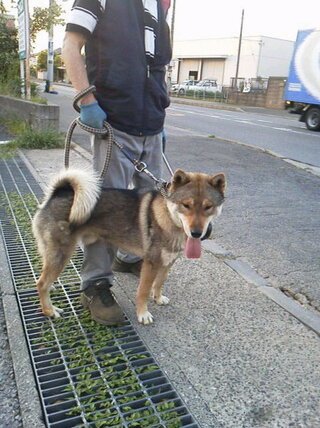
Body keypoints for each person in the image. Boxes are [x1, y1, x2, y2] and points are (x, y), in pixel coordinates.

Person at [62, 0, 172, 325]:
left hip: (151, 123)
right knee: (107, 207)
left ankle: (128, 255)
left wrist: (160, 117)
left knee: (153, 206)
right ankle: (95, 283)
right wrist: (86, 99)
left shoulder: (159, 7)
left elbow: (158, 67)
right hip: (114, 121)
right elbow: (70, 45)